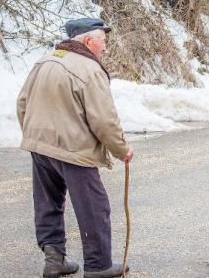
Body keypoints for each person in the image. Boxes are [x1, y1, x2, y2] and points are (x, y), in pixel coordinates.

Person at [16, 18, 133, 278]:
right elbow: (104, 119)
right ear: (89, 41)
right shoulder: (90, 69)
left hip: (40, 145)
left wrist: (34, 135)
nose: (105, 48)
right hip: (73, 150)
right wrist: (121, 149)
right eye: (103, 42)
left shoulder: (45, 60)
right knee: (94, 206)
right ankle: (98, 266)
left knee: (48, 203)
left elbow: (22, 102)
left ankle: (54, 260)